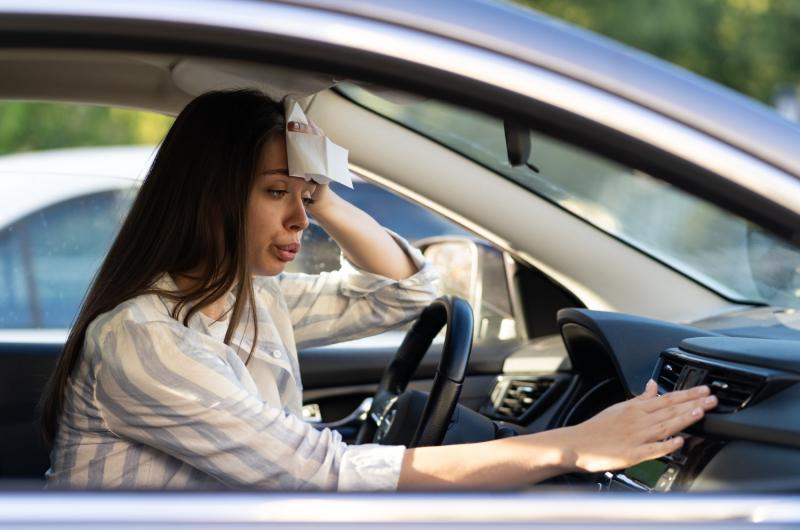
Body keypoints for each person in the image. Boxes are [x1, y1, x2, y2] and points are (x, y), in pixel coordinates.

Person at [41, 89, 717, 491]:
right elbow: (319, 476)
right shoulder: (146, 338)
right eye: (277, 193)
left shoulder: (246, 299)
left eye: (303, 196)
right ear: (209, 198)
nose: (299, 220)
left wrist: (323, 192)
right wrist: (571, 447)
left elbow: (402, 293)